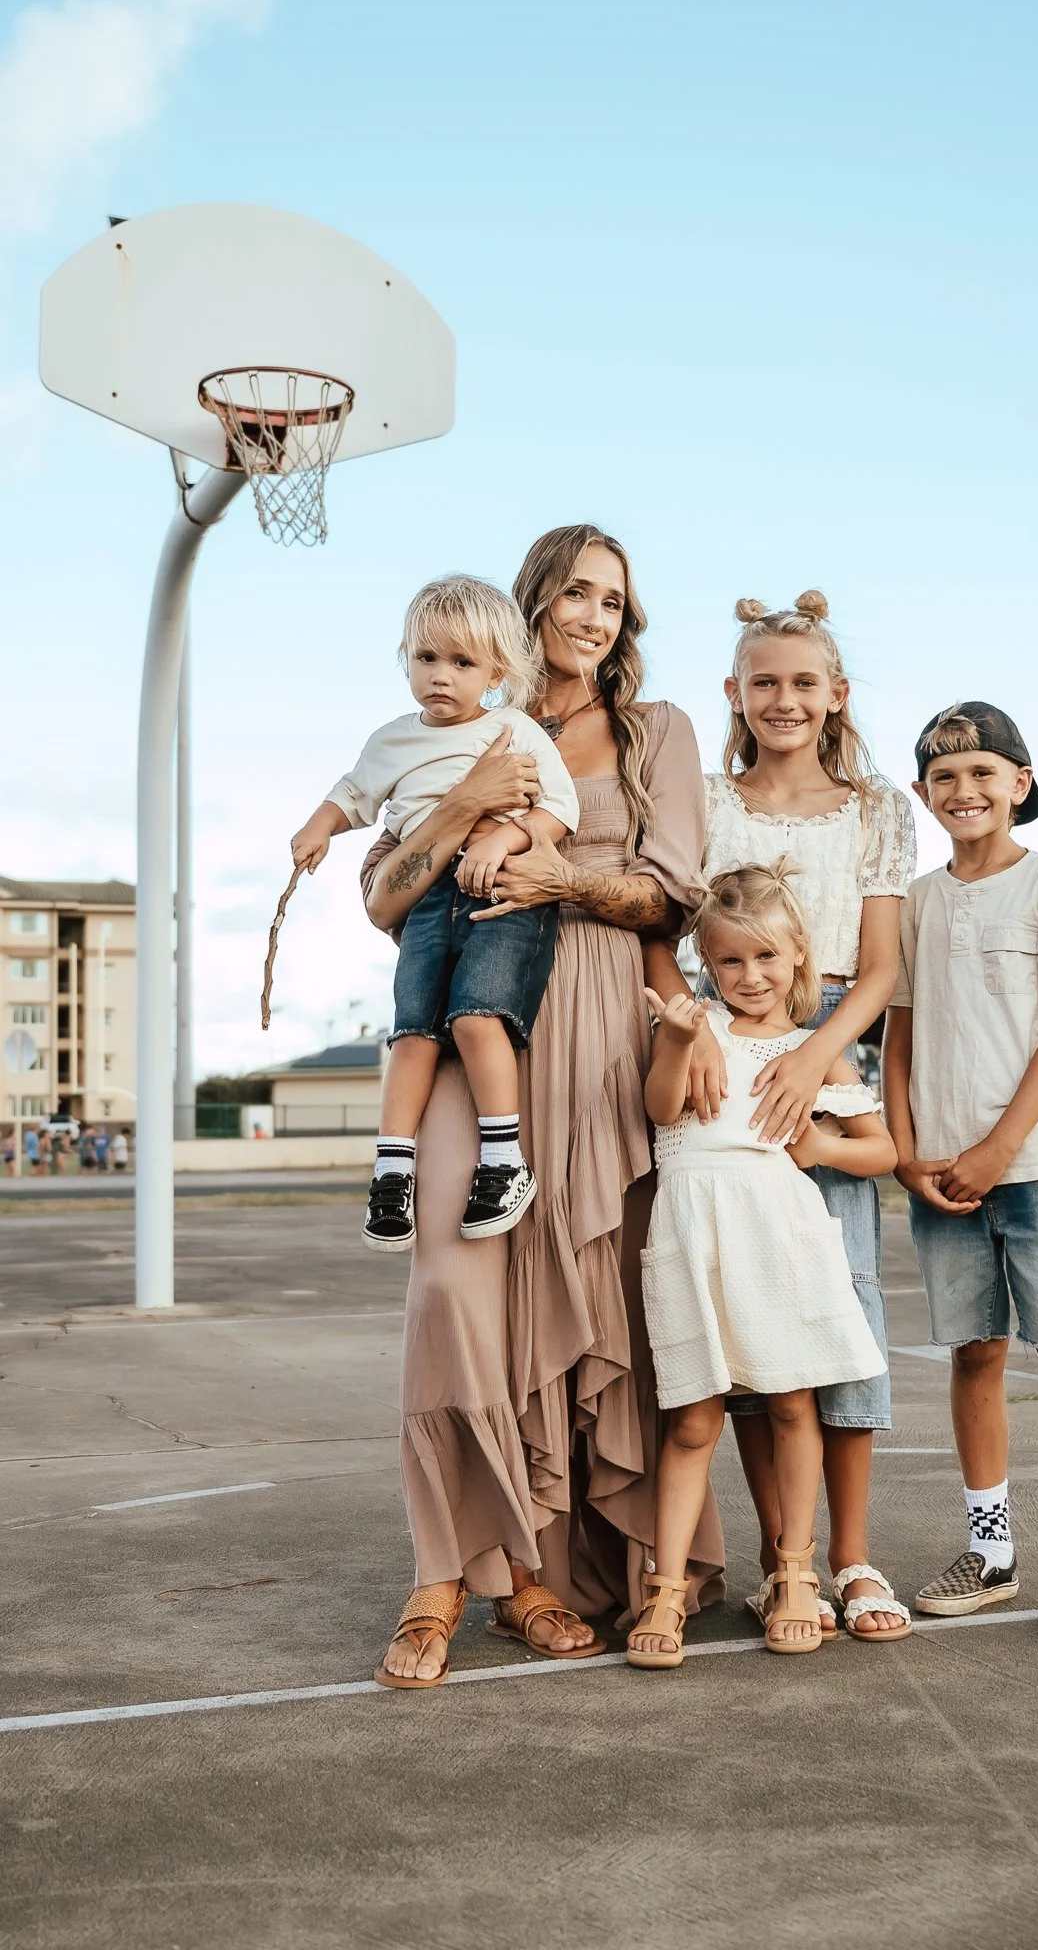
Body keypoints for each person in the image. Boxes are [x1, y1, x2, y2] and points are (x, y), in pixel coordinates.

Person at [362, 525, 723, 1689]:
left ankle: (545, 1581)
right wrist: (460, 800)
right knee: (451, 1287)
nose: (593, 614)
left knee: (599, 1301)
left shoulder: (654, 731)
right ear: (530, 603)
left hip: (605, 1036)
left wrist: (562, 875)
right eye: (574, 590)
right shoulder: (451, 718)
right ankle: (440, 1575)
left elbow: (671, 892)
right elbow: (382, 901)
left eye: (614, 599)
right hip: (477, 1031)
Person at [645, 591, 915, 1640]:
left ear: (835, 694)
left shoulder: (873, 805)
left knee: (834, 1315)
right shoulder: (709, 800)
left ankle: (845, 1557)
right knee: (745, 1333)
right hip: (726, 1048)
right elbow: (673, 932)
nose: (784, 699)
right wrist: (701, 1030)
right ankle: (778, 1561)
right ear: (734, 693)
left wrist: (811, 1055)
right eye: (764, 681)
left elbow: (881, 963)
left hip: (824, 1037)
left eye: (804, 681)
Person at [884, 702, 1038, 1645]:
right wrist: (905, 1150)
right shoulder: (913, 900)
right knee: (974, 1354)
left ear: (1019, 785)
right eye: (944, 777)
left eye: (983, 773)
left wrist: (997, 1150)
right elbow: (897, 1034)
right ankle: (990, 1554)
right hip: (940, 1174)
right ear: (922, 794)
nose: (964, 790)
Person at [627, 863, 896, 1668]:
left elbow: (879, 1150)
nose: (750, 977)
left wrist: (818, 1145)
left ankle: (793, 1573)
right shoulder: (691, 1027)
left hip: (780, 1238)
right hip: (694, 1237)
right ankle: (666, 1590)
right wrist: (678, 1039)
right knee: (693, 1420)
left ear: (797, 956)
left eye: (766, 958)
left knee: (790, 1408)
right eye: (732, 961)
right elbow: (659, 1109)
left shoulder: (809, 1055)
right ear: (707, 961)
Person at [292, 576, 580, 1249]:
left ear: (496, 671)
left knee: (478, 1017)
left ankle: (504, 1162)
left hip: (499, 890)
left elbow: (559, 809)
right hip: (424, 900)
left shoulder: (514, 731)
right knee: (412, 1032)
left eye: (461, 663)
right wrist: (317, 828)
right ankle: (392, 1169)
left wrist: (504, 835)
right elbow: (353, 794)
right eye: (426, 659)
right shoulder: (391, 739)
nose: (440, 677)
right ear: (405, 657)